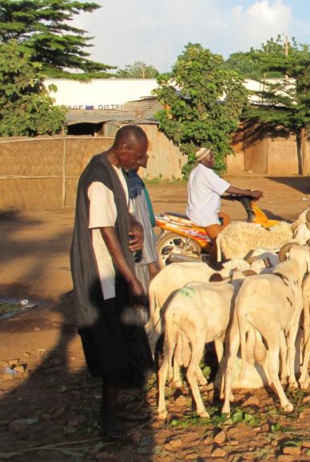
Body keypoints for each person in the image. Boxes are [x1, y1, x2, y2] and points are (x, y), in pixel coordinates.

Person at [70, 125, 155, 440]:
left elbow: (123, 213)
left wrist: (135, 226)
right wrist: (131, 279)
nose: (142, 162)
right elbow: (106, 233)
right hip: (102, 274)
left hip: (114, 272)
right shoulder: (99, 179)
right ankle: (108, 421)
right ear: (123, 147)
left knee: (121, 338)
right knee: (110, 347)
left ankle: (116, 409)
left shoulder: (117, 172)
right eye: (140, 155)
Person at [186, 147, 263, 244]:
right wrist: (251, 193)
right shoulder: (206, 173)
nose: (213, 159)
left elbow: (206, 191)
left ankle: (209, 243)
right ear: (202, 160)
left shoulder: (196, 171)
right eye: (210, 157)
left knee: (225, 218)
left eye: (213, 157)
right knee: (221, 243)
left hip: (196, 211)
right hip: (204, 215)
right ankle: (215, 258)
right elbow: (227, 188)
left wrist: (229, 197)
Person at [126, 155, 159, 296]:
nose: (147, 156)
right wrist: (152, 264)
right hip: (142, 257)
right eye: (143, 152)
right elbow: (140, 224)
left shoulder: (130, 178)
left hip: (141, 251)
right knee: (143, 298)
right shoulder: (133, 183)